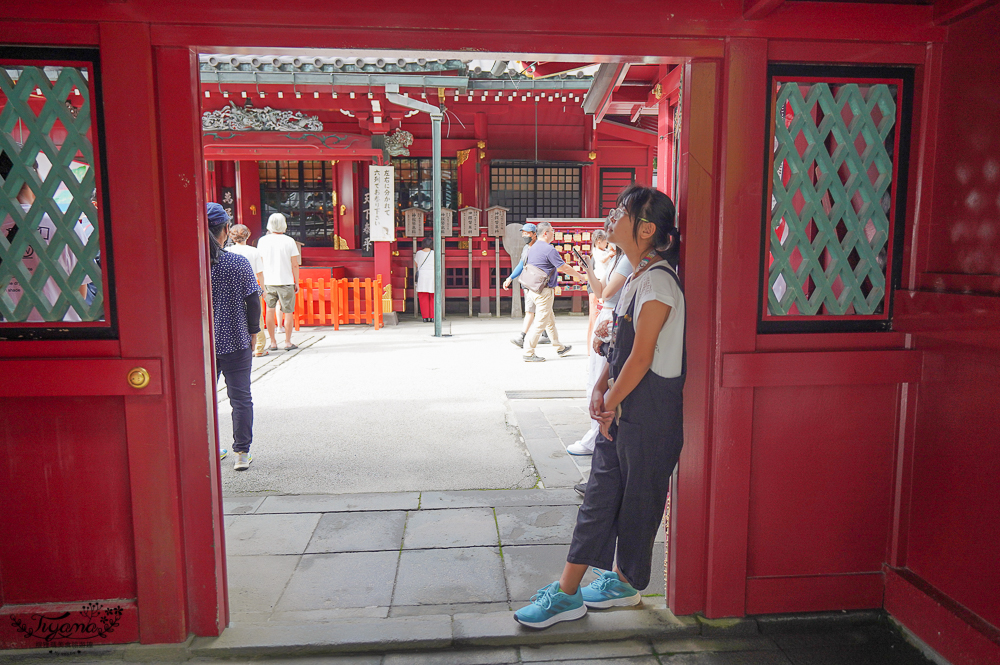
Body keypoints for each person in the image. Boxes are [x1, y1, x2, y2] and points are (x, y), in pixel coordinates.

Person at [513, 185, 684, 629]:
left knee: (638, 502)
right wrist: (602, 389)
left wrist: (608, 400)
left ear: (646, 229)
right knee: (600, 497)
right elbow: (620, 351)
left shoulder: (659, 282)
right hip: (625, 408)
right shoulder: (635, 277)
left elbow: (643, 356)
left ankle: (623, 583)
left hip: (649, 416)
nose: (612, 216)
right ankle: (570, 591)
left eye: (622, 211)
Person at [0, 146, 89, 323]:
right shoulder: (65, 226)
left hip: (9, 342)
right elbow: (81, 294)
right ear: (35, 177)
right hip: (62, 336)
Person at [567, 236, 633, 465]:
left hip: (613, 318)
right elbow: (599, 290)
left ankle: (595, 437)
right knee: (595, 381)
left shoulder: (624, 261)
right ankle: (594, 435)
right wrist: (589, 270)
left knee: (601, 382)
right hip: (607, 315)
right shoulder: (618, 259)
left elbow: (607, 293)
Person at [207, 203, 262, 471]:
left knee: (202, 397)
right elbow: (253, 299)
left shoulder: (192, 263)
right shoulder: (237, 262)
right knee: (240, 398)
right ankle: (241, 453)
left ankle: (207, 447)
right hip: (235, 338)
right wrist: (254, 330)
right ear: (226, 229)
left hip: (201, 343)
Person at [520, 222, 585, 362]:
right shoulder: (549, 249)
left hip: (532, 288)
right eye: (552, 230)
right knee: (541, 321)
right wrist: (579, 275)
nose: (553, 233)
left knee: (549, 320)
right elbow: (563, 267)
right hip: (544, 290)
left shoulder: (533, 247)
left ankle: (559, 347)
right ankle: (528, 351)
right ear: (545, 233)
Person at [257, 213, 300, 351]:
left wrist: (261, 281)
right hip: (286, 280)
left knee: (269, 310)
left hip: (269, 281)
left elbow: (260, 261)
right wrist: (296, 281)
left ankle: (273, 342)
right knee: (288, 312)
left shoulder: (263, 241)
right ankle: (287, 342)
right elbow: (295, 264)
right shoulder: (289, 241)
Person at [503, 222, 550, 347]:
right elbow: (521, 264)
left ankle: (523, 337)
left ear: (534, 234)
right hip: (528, 284)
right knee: (536, 311)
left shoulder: (540, 247)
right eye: (523, 233)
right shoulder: (525, 248)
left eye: (527, 233)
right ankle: (546, 335)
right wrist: (510, 277)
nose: (524, 235)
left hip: (538, 285)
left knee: (534, 311)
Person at [227, 224, 267, 357]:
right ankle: (259, 347)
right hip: (252, 286)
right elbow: (260, 272)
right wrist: (263, 288)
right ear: (247, 235)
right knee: (256, 315)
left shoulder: (228, 251)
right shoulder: (254, 251)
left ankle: (237, 342)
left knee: (236, 314)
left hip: (232, 287)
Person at [586, 229, 614, 352]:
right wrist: (610, 254)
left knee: (599, 317)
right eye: (605, 242)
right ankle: (590, 348)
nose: (607, 244)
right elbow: (602, 260)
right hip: (597, 284)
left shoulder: (605, 251)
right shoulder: (596, 252)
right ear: (598, 242)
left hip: (603, 284)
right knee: (595, 317)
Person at [414, 237, 435, 322]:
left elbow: (416, 264)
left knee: (423, 297)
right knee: (433, 297)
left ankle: (425, 317)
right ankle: (433, 316)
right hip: (432, 274)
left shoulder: (419, 253)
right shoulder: (434, 253)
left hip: (422, 275)